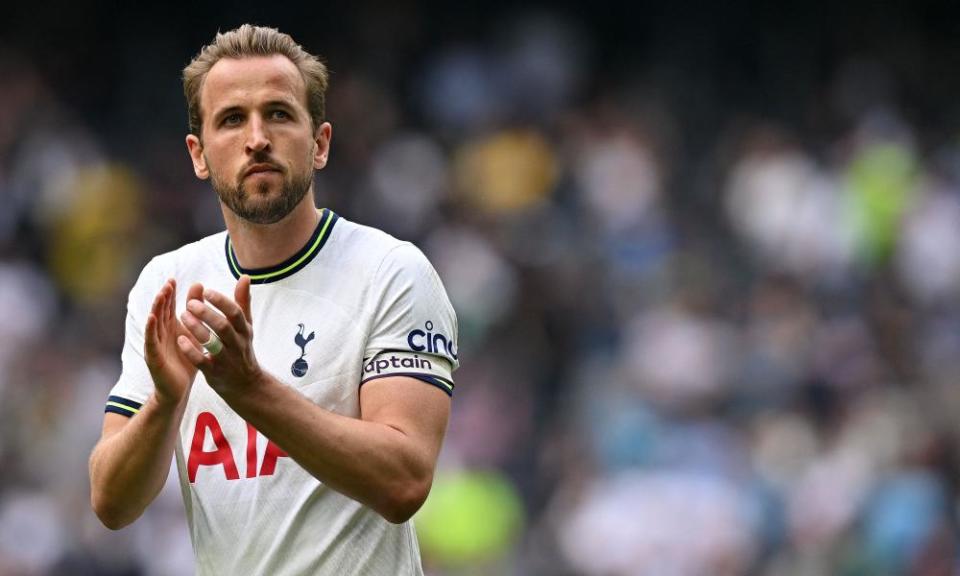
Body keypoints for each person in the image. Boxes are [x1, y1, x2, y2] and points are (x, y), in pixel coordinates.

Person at [88, 24, 458, 576]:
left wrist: (249, 387)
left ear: (321, 142)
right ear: (199, 154)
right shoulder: (168, 283)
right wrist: (165, 403)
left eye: (279, 114)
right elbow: (111, 504)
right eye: (232, 119)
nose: (256, 137)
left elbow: (404, 481)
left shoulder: (391, 272)